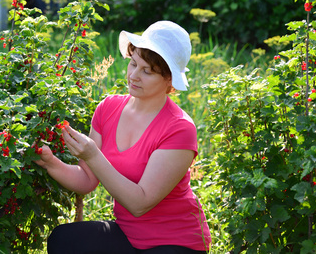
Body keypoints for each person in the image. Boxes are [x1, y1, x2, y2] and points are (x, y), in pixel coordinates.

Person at [34, 21, 211, 253]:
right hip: (129, 236)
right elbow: (87, 181)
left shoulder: (179, 128)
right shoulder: (108, 108)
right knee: (64, 239)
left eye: (147, 71)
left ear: (169, 80)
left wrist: (93, 155)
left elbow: (140, 204)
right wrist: (50, 162)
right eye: (133, 63)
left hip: (176, 241)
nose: (134, 76)